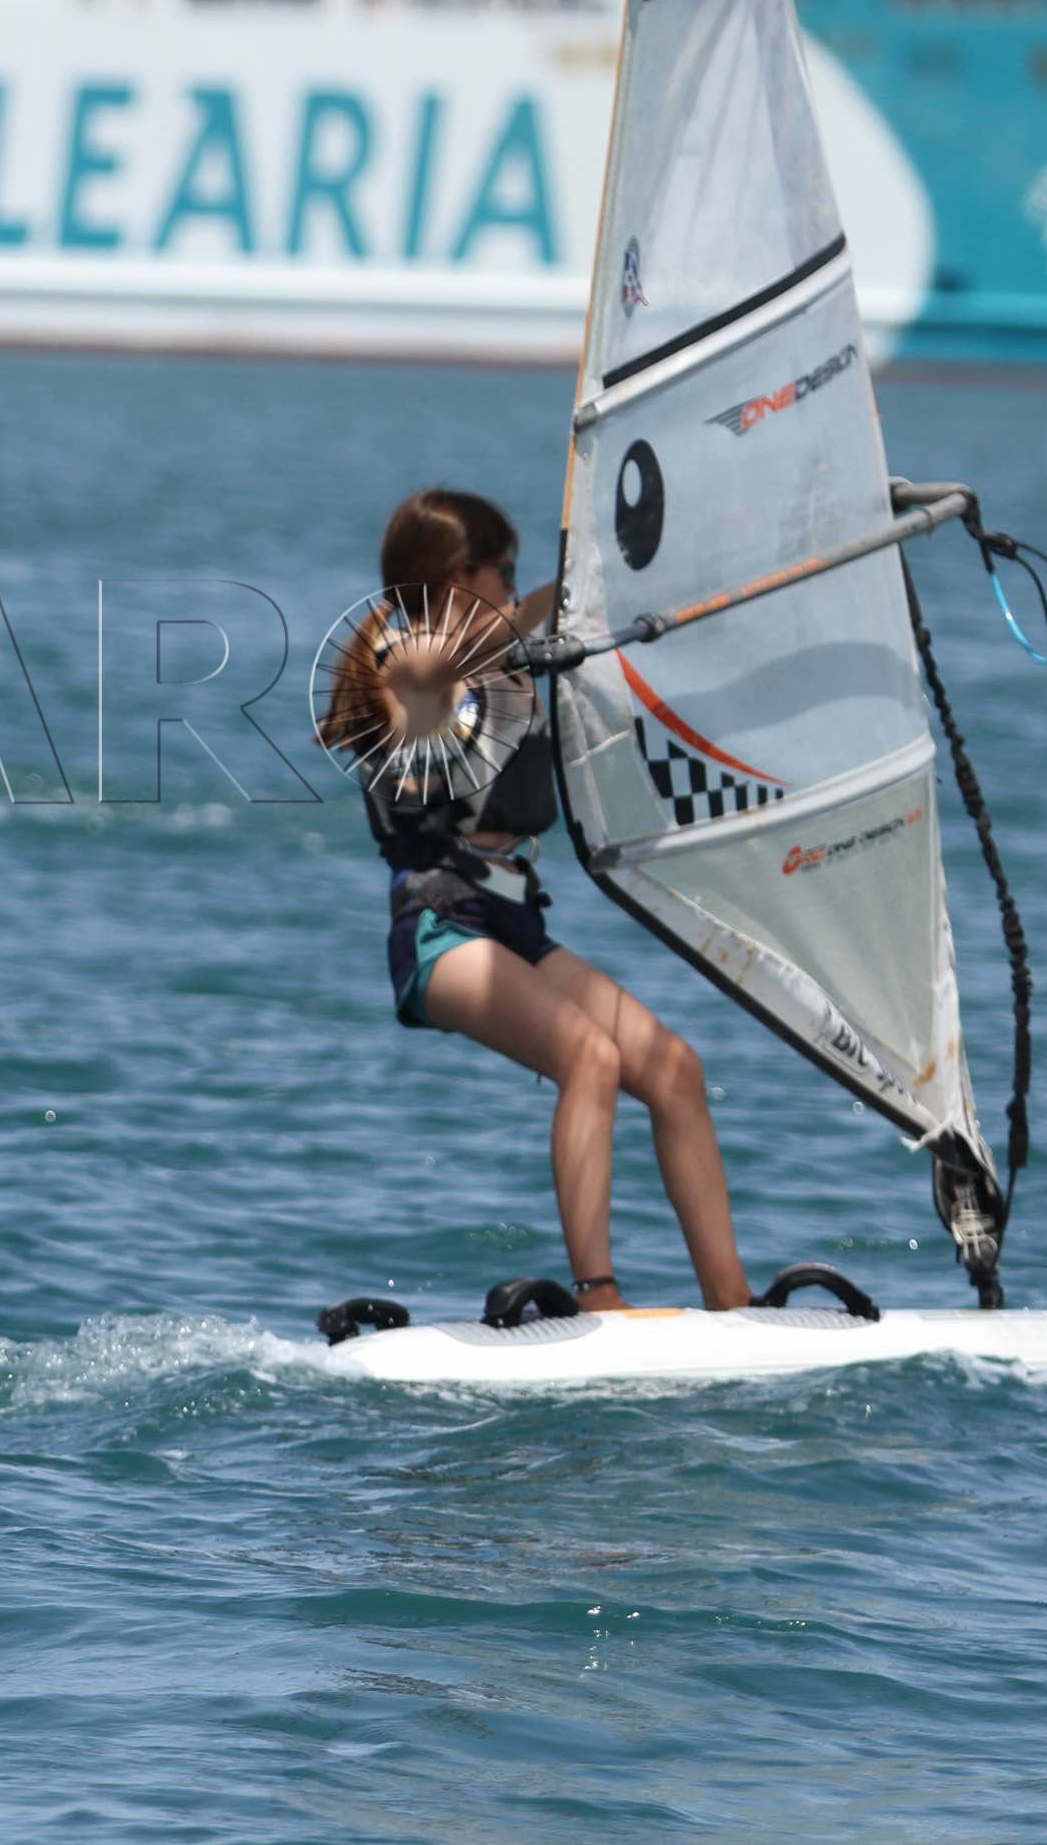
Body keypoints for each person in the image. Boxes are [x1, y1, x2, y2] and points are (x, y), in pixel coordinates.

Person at [322, 487, 752, 1313]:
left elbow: (506, 646)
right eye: (502, 575)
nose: (513, 592)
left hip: (513, 923)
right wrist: (564, 591)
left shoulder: (497, 656)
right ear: (452, 582)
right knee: (589, 1058)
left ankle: (733, 1302)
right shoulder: (403, 664)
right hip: (440, 934)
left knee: (672, 1069)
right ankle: (598, 1297)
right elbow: (455, 662)